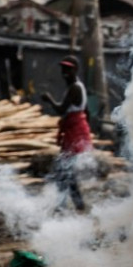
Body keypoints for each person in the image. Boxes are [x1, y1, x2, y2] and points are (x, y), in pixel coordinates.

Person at [41, 55, 92, 211]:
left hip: (74, 133)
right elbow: (86, 112)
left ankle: (64, 205)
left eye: (68, 69)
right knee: (65, 171)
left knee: (64, 170)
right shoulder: (76, 87)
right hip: (75, 131)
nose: (64, 72)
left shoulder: (75, 88)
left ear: (75, 70)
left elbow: (61, 109)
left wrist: (49, 99)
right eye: (63, 69)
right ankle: (75, 204)